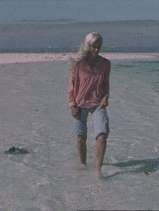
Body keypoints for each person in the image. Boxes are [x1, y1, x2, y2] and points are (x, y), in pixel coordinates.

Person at [67, 32, 111, 178]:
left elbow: (106, 84)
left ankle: (98, 171)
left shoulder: (106, 64)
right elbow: (71, 87)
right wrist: (72, 105)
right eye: (94, 47)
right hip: (79, 104)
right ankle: (83, 165)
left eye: (99, 47)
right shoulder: (78, 65)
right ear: (88, 46)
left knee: (102, 135)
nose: (97, 50)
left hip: (98, 104)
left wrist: (106, 97)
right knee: (81, 137)